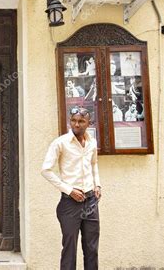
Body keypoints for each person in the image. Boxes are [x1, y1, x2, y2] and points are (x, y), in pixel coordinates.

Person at [41, 107, 101, 270]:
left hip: (90, 202)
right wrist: (68, 190)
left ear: (89, 123)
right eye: (74, 120)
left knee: (91, 248)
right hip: (69, 204)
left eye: (81, 121)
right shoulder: (60, 143)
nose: (77, 124)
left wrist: (97, 185)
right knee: (69, 249)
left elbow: (94, 164)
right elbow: (45, 170)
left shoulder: (92, 142)